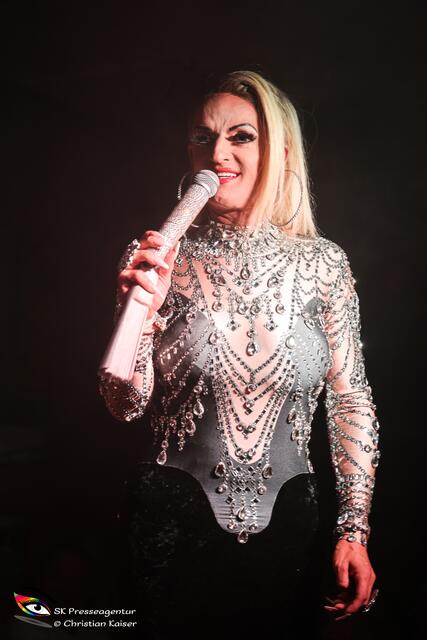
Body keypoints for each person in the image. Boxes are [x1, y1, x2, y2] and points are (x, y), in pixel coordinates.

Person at [99, 70, 380, 638]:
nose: (217, 154)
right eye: (202, 138)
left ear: (280, 151)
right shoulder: (159, 255)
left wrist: (354, 531)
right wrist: (140, 317)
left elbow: (350, 400)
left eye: (241, 136)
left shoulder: (325, 264)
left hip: (291, 529)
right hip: (169, 523)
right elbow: (124, 406)